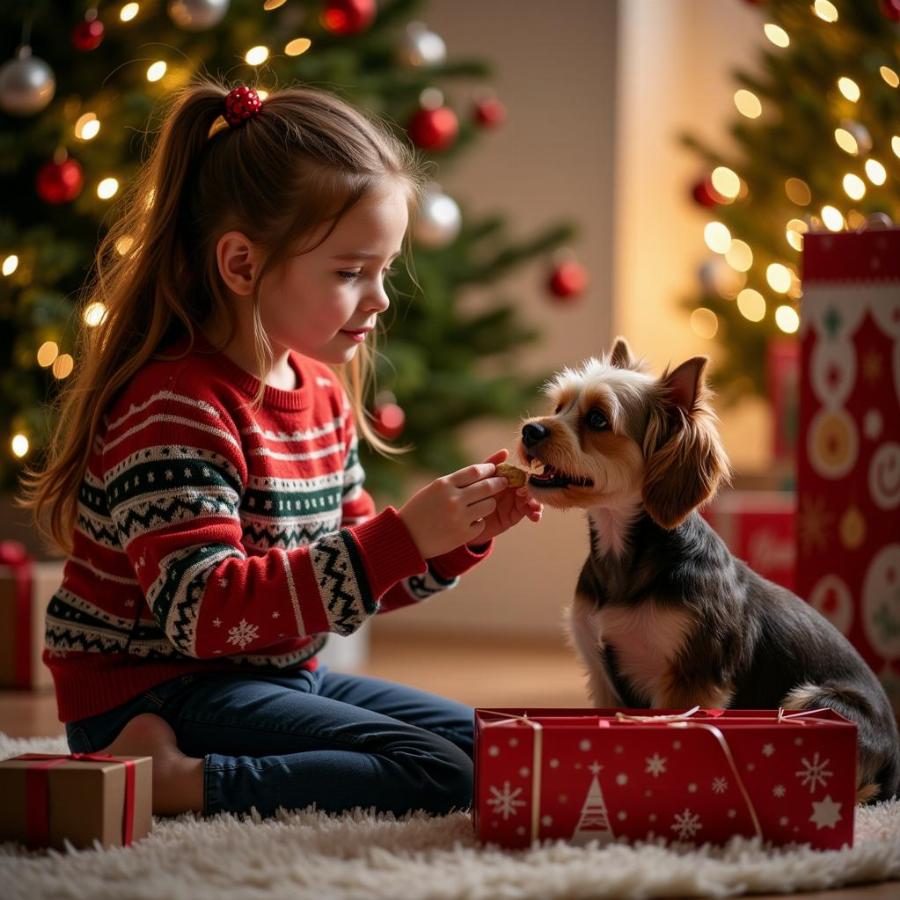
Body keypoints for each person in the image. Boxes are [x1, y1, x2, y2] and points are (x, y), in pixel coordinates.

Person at [21, 77, 542, 819]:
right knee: (436, 772)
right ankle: (173, 779)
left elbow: (350, 585)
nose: (381, 298)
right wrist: (402, 538)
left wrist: (450, 540)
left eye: (384, 270)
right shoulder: (175, 406)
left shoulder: (323, 394)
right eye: (351, 272)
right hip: (156, 691)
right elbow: (201, 613)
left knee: (498, 748)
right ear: (241, 265)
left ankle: (215, 761)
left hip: (275, 674)